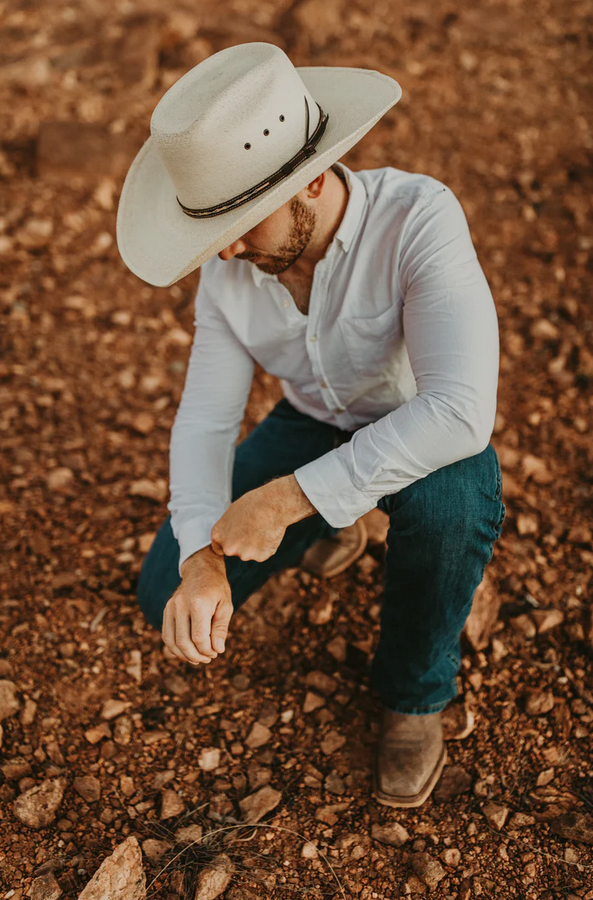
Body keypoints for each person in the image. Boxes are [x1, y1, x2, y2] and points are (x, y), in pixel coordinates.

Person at [116, 42, 505, 808]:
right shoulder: (230, 270)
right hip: (312, 423)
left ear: (312, 180)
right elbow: (205, 418)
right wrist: (200, 554)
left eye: (238, 224)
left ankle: (414, 697)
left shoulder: (419, 219)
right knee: (163, 586)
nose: (222, 249)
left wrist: (290, 499)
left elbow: (459, 411)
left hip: (421, 432)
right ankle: (345, 518)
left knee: (452, 510)